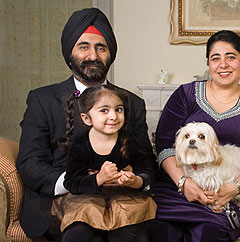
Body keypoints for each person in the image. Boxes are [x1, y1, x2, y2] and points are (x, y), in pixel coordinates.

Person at [16, 8, 156, 241]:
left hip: (121, 200)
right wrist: (78, 182)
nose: (93, 55)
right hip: (61, 201)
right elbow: (30, 162)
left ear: (110, 53)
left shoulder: (132, 103)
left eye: (101, 47)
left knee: (131, 234)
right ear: (69, 52)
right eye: (84, 46)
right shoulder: (42, 99)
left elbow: (146, 161)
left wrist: (135, 178)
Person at [147, 30, 240, 242]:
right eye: (216, 58)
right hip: (177, 188)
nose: (223, 64)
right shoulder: (185, 95)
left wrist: (233, 189)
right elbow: (164, 144)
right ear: (208, 64)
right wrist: (183, 183)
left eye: (231, 57)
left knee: (208, 230)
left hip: (225, 192)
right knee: (161, 226)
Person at [50, 84, 156, 242]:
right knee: (77, 232)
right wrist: (99, 178)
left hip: (125, 198)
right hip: (88, 199)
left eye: (118, 109)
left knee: (128, 232)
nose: (114, 116)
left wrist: (136, 180)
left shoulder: (130, 141)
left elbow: (147, 170)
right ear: (87, 118)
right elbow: (71, 182)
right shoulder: (80, 145)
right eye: (104, 110)